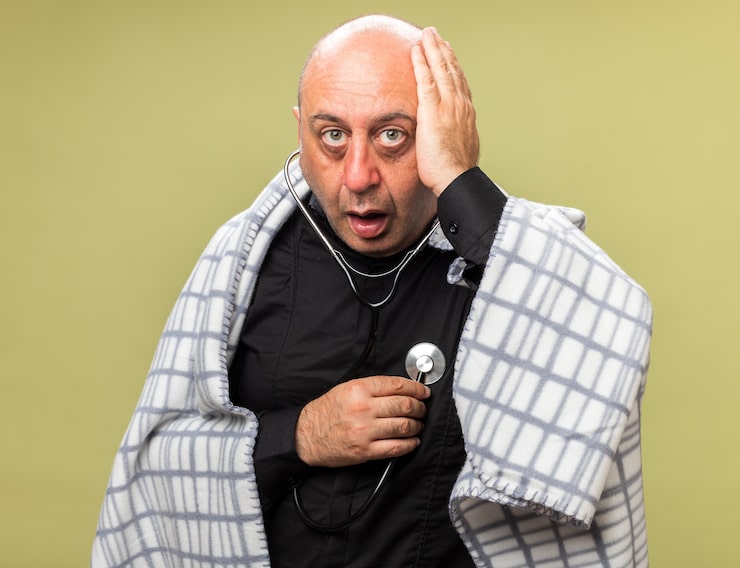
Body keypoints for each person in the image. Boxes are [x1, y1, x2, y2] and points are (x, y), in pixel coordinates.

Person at [92, 14, 652, 568]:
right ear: (301, 134)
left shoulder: (515, 266)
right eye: (333, 136)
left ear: (439, 134)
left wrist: (461, 181)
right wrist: (301, 437)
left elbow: (608, 334)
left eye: (392, 136)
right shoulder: (242, 261)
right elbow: (158, 467)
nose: (359, 176)